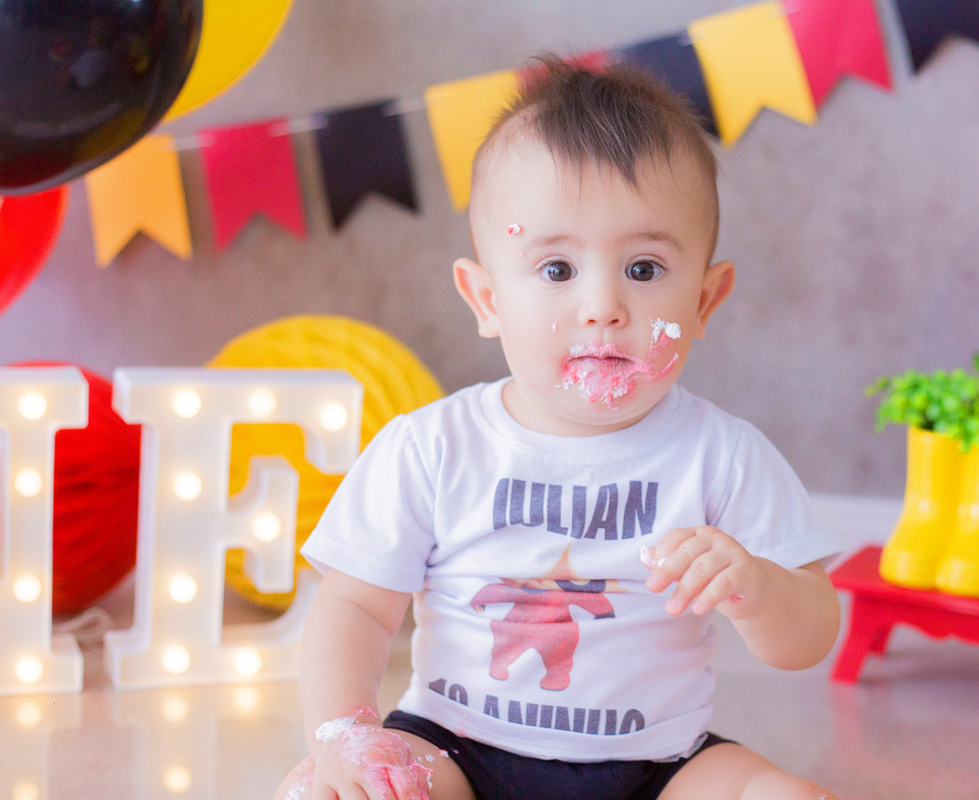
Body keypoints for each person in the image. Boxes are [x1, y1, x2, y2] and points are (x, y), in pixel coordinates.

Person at [274, 58, 843, 800]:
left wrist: (759, 589)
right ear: (486, 299)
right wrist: (344, 734)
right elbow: (352, 607)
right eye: (555, 270)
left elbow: (810, 636)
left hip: (661, 765)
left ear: (706, 299)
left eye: (643, 269)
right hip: (455, 751)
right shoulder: (433, 448)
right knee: (330, 795)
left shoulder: (722, 456)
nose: (602, 305)